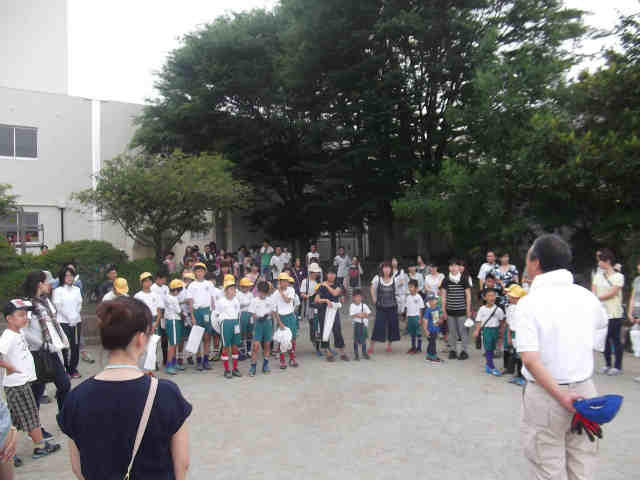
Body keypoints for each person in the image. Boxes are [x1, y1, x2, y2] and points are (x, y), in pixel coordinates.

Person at [58, 296, 191, 480]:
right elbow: (182, 463)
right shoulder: (165, 393)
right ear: (140, 339)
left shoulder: (76, 397)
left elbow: (77, 468)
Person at [516, 234, 607, 480]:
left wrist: (562, 396)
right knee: (582, 464)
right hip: (585, 391)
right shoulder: (587, 297)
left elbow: (530, 359)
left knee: (547, 466)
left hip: (547, 393)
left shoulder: (529, 303)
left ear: (536, 262)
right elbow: (600, 329)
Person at [0, 299, 61, 462]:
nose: (25, 318)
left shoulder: (18, 332)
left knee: (15, 419)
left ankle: (8, 451)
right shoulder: (8, 336)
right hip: (16, 384)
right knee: (30, 416)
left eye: (25, 314)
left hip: (22, 382)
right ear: (9, 318)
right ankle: (39, 446)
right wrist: (10, 367)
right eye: (20, 315)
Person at [23, 271, 71, 419]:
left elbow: (53, 323)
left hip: (51, 351)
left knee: (64, 384)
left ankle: (63, 417)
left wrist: (63, 338)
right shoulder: (27, 305)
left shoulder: (46, 301)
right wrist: (43, 344)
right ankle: (35, 426)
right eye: (47, 282)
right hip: (37, 353)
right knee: (37, 391)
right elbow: (24, 332)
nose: (50, 285)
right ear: (40, 284)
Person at [591, 248, 625, 375]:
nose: (599, 263)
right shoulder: (597, 276)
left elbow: (613, 292)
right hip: (601, 312)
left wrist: (597, 298)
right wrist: (595, 298)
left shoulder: (618, 276)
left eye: (601, 261)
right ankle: (607, 364)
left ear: (608, 261)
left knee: (615, 338)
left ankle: (617, 366)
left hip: (614, 313)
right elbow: (593, 290)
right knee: (603, 339)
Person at [52, 266, 83, 378]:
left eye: (71, 275)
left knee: (75, 345)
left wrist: (75, 316)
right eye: (66, 276)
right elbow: (58, 306)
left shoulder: (77, 289)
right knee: (65, 346)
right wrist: (69, 317)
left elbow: (79, 304)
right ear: (62, 277)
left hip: (76, 321)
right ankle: (65, 369)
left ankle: (73, 369)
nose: (69, 278)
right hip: (63, 322)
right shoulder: (58, 290)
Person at [440, 259, 472, 360]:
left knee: (463, 332)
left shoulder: (464, 279)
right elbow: (443, 296)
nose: (453, 268)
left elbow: (468, 295)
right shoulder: (446, 279)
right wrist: (443, 310)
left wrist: (468, 310)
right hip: (450, 310)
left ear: (459, 267)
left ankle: (464, 351)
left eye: (455, 266)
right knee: (452, 332)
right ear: (449, 268)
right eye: (451, 266)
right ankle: (453, 350)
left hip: (462, 310)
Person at [315, 270, 348, 362]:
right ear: (327, 274)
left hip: (334, 311)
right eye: (330, 273)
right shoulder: (321, 286)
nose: (331, 275)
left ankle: (342, 352)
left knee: (337, 330)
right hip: (323, 311)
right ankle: (327, 351)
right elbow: (316, 299)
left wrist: (326, 285)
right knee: (324, 331)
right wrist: (325, 300)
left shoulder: (338, 285)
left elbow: (335, 293)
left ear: (335, 275)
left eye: (333, 273)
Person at [190, 263, 218, 371]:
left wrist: (213, 314)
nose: (199, 273)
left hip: (207, 311)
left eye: (201, 271)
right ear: (194, 273)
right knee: (197, 337)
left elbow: (212, 299)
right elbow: (190, 302)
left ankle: (206, 360)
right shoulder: (192, 285)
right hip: (197, 311)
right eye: (197, 271)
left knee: (207, 337)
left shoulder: (209, 284)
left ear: (205, 272)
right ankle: (198, 360)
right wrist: (192, 316)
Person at [369, 262, 400, 354]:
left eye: (388, 268)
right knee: (378, 326)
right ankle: (371, 346)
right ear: (382, 269)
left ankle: (389, 346)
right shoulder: (377, 278)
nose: (386, 269)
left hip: (392, 307)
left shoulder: (395, 279)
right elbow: (372, 288)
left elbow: (398, 292)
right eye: (385, 268)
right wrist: (374, 299)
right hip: (381, 307)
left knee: (392, 326)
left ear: (391, 269)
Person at [215, 275, 242, 379]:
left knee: (235, 346)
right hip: (225, 324)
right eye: (231, 289)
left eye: (234, 289)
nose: (233, 291)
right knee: (225, 347)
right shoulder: (221, 301)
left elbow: (238, 313)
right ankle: (226, 370)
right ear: (226, 291)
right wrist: (221, 324)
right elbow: (216, 314)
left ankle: (235, 368)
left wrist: (237, 325)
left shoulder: (236, 301)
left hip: (235, 323)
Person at [272, 273, 301, 368]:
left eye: (286, 281)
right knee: (283, 340)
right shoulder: (275, 294)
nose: (285, 283)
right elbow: (274, 310)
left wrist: (281, 292)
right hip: (282, 317)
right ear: (279, 282)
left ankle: (292, 358)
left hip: (291, 316)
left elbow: (288, 300)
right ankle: (282, 360)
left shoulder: (291, 290)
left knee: (292, 338)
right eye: (283, 281)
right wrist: (279, 322)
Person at [473, 289, 505, 376]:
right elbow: (478, 321)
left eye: (493, 295)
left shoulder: (498, 310)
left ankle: (488, 365)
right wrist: (477, 330)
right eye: (489, 296)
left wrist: (501, 332)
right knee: (488, 348)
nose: (492, 298)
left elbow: (502, 321)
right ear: (485, 297)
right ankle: (491, 367)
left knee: (493, 348)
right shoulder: (482, 309)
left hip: (495, 330)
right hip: (486, 330)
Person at [248, 281, 274, 376]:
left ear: (267, 292)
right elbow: (252, 312)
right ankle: (253, 366)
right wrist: (258, 317)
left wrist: (267, 314)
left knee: (267, 345)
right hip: (258, 324)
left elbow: (272, 311)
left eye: (265, 293)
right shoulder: (254, 300)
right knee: (255, 346)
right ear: (258, 291)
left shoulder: (270, 300)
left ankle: (265, 365)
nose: (263, 295)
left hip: (268, 323)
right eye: (261, 292)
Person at [504, 284, 527, 386]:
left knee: (520, 356)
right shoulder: (510, 307)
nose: (509, 297)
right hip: (514, 334)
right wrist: (509, 335)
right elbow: (509, 323)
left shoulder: (523, 308)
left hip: (520, 334)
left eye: (511, 296)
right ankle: (518, 375)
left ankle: (522, 376)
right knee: (516, 355)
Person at [164, 280, 186, 375]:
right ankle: (169, 365)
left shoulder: (168, 296)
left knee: (175, 342)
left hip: (171, 320)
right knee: (173, 344)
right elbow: (179, 311)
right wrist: (185, 316)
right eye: (179, 290)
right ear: (175, 290)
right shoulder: (173, 299)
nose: (179, 292)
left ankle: (173, 363)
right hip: (173, 321)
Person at [301, 263, 322, 355]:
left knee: (318, 326)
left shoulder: (319, 281)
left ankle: (318, 346)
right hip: (310, 305)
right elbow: (302, 294)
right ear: (311, 272)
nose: (316, 274)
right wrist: (309, 296)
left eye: (317, 272)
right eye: (315, 272)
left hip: (318, 305)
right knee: (313, 325)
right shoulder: (305, 281)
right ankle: (313, 340)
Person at [151, 270, 170, 367]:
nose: (164, 281)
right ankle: (153, 361)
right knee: (155, 339)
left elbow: (168, 300)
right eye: (163, 279)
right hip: (156, 314)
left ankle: (165, 360)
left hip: (165, 314)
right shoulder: (152, 288)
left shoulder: (166, 288)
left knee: (165, 338)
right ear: (158, 279)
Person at [349, 289, 371, 361]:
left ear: (362, 297)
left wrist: (362, 315)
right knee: (356, 340)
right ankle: (356, 354)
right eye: (357, 297)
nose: (358, 298)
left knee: (364, 340)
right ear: (353, 298)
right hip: (357, 324)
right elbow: (352, 315)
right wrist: (360, 315)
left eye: (360, 297)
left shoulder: (364, 305)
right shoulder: (352, 305)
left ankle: (364, 353)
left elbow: (368, 314)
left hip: (363, 324)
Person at [237, 277, 255, 361]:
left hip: (250, 314)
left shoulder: (250, 294)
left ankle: (249, 350)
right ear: (241, 287)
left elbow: (253, 304)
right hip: (242, 314)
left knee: (249, 333)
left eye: (248, 286)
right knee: (241, 333)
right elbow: (240, 305)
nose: (247, 288)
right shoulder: (238, 294)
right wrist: (247, 303)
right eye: (245, 286)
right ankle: (241, 351)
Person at [406, 279, 425, 354]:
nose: (410, 288)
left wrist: (420, 319)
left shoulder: (419, 297)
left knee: (418, 333)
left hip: (416, 317)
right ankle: (413, 347)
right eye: (409, 287)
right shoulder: (408, 297)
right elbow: (407, 308)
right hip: (410, 317)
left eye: (411, 287)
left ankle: (419, 347)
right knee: (412, 333)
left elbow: (421, 308)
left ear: (416, 288)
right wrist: (407, 318)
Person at [423, 293, 443, 363]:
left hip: (436, 329)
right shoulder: (428, 310)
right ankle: (433, 356)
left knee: (431, 342)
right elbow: (425, 320)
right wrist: (426, 330)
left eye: (433, 300)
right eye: (430, 300)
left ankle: (429, 356)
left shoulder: (438, 308)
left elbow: (440, 318)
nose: (431, 302)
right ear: (428, 302)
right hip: (430, 330)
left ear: (436, 300)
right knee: (432, 343)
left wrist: (440, 320)